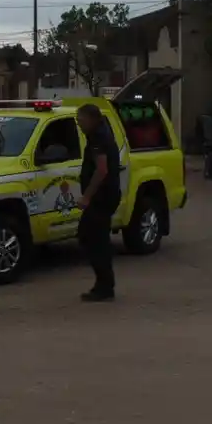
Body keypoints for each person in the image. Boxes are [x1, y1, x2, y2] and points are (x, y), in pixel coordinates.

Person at [75, 103, 121, 302]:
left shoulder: (98, 138)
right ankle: (104, 283)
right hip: (104, 197)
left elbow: (101, 170)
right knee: (92, 238)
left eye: (81, 120)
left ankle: (104, 285)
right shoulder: (101, 133)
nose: (79, 124)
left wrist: (87, 197)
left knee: (93, 238)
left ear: (92, 119)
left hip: (101, 198)